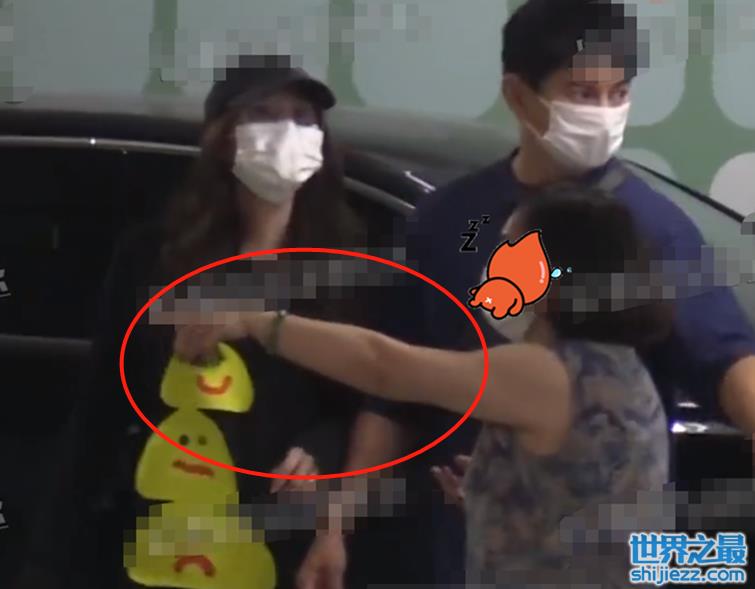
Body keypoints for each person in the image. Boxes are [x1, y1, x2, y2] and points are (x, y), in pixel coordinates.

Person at [296, 0, 755, 585]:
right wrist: (339, 523)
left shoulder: (648, 229)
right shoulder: (453, 220)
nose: (604, 113)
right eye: (582, 94)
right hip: (463, 552)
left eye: (617, 93)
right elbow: (392, 386)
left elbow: (726, 361)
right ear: (518, 95)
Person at [168, 185, 674, 587]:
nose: (491, 264)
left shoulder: (548, 373)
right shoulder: (620, 372)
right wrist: (504, 500)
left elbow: (386, 367)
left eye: (510, 249)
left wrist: (258, 322)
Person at [14, 54, 364, 589]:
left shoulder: (342, 266)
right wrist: (49, 562)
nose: (288, 132)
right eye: (265, 114)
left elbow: (367, 401)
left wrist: (323, 448)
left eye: (303, 117)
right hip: (165, 534)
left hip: (276, 541)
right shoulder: (155, 257)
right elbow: (101, 409)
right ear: (224, 137)